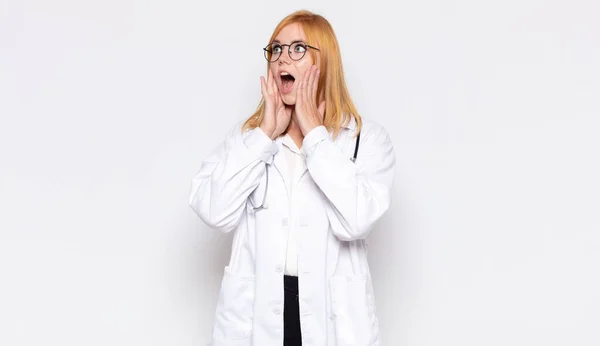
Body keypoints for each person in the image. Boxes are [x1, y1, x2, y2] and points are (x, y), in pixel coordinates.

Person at [189, 10, 395, 346]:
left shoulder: (364, 140)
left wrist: (315, 135)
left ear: (324, 62)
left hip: (333, 316)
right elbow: (214, 211)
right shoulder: (249, 139)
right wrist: (266, 134)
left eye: (298, 48)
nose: (283, 57)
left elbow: (355, 221)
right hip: (256, 316)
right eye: (277, 49)